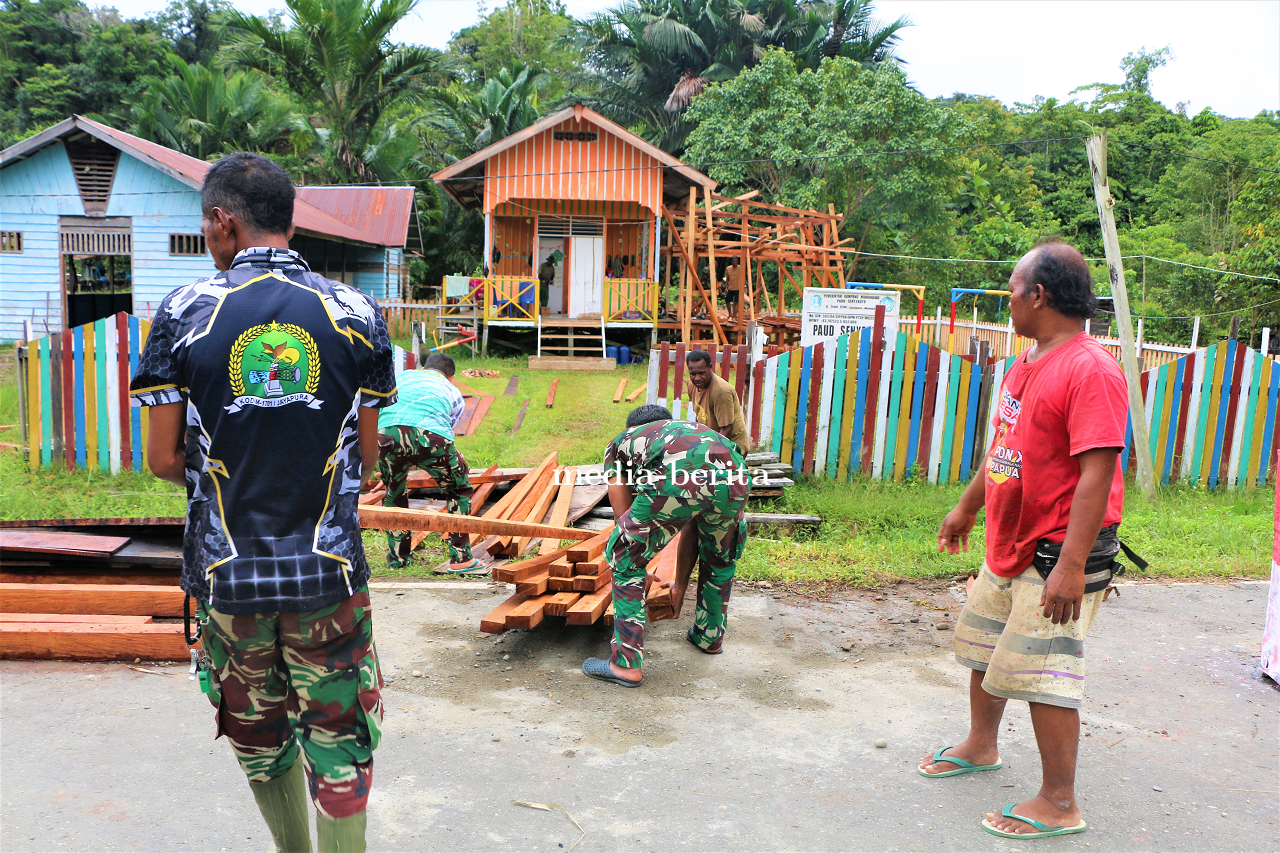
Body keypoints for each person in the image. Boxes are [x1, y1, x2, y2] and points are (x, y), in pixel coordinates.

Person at [131, 152, 395, 853]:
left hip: (230, 579)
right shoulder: (357, 312)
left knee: (262, 738)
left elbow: (163, 459)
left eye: (205, 227)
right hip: (328, 577)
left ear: (223, 222)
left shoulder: (183, 313)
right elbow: (364, 454)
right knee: (339, 745)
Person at [920, 240, 1129, 841]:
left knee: (1046, 675)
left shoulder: (1092, 369)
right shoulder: (1029, 361)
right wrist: (965, 509)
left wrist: (1068, 568)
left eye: (1012, 291)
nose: (1008, 301)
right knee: (983, 648)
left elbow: (1097, 473)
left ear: (1038, 295)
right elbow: (1006, 451)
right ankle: (981, 745)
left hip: (1058, 550)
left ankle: (1060, 801)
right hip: (1008, 541)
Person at [581, 404, 749, 688]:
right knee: (720, 556)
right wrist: (679, 585)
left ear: (630, 428)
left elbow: (622, 515)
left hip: (678, 478)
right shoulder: (694, 432)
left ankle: (625, 665)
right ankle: (709, 637)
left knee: (623, 555)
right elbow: (695, 530)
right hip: (735, 475)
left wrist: (635, 561)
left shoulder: (622, 441)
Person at [376, 351, 485, 573]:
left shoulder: (402, 377)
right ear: (451, 376)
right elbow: (443, 433)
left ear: (423, 367)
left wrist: (391, 463)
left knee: (394, 494)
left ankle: (398, 560)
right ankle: (461, 559)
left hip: (385, 435)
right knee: (458, 489)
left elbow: (380, 408)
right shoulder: (452, 390)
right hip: (432, 437)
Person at [685, 349, 751, 454]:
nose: (697, 378)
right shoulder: (692, 386)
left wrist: (707, 453)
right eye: (693, 374)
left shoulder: (721, 392)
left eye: (701, 373)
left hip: (731, 448)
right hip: (711, 442)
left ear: (710, 367)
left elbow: (726, 430)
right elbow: (700, 418)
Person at [723, 255, 744, 320]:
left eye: (736, 261)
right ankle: (730, 313)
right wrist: (726, 287)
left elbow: (743, 277)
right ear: (732, 261)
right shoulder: (728, 268)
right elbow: (727, 279)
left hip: (738, 288)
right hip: (730, 287)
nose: (735, 262)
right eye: (734, 261)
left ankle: (735, 316)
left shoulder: (741, 268)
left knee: (736, 302)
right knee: (727, 300)